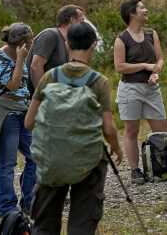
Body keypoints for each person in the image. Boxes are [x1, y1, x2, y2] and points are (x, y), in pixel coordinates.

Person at [25, 22, 123, 235]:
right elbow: (108, 128)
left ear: (67, 43)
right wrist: (117, 148)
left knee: (44, 225)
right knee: (82, 223)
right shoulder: (99, 82)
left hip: (52, 159)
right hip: (87, 162)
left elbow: (29, 122)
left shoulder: (49, 77)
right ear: (94, 45)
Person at [114, 0, 167, 184]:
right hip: (130, 89)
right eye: (142, 8)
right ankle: (135, 170)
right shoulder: (122, 39)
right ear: (132, 14)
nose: (146, 10)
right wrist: (145, 66)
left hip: (152, 89)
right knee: (131, 130)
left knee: (161, 130)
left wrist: (155, 72)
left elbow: (160, 59)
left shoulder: (151, 34)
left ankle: (162, 167)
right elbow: (120, 67)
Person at [0, 23, 36, 217]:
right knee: (7, 162)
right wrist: (21, 59)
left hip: (23, 109)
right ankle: (7, 207)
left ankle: (30, 201)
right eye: (29, 41)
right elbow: (13, 84)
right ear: (20, 42)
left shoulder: (22, 54)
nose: (31, 44)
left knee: (35, 156)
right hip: (7, 112)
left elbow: (26, 84)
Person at [26, 4, 85, 92]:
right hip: (35, 100)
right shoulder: (50, 35)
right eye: (82, 21)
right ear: (72, 20)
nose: (84, 25)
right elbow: (35, 66)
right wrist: (43, 95)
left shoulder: (67, 43)